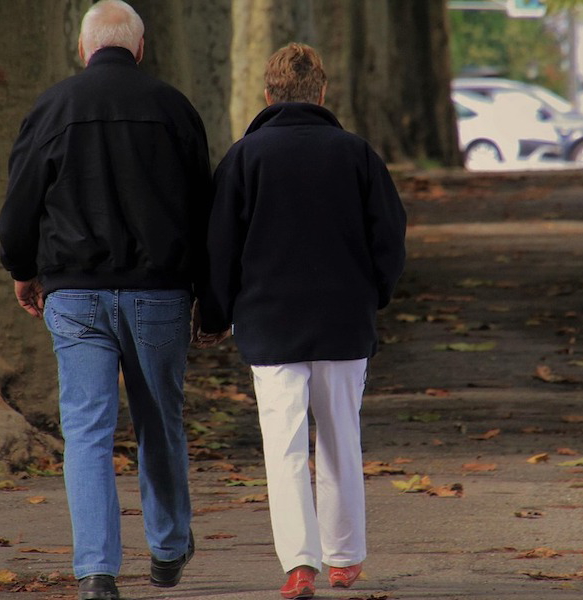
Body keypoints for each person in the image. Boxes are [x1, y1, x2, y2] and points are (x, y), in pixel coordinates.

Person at [0, 2, 208, 599]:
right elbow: (205, 212)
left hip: (76, 293)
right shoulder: (175, 109)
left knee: (86, 431)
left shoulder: (53, 106)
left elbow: (19, 207)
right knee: (158, 421)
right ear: (140, 49)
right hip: (159, 295)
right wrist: (211, 300)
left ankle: (96, 571)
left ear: (83, 48)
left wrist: (22, 269)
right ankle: (167, 548)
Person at [197, 43, 406, 600]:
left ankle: (300, 563)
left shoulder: (245, 158)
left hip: (269, 324)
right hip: (343, 320)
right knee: (342, 436)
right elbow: (389, 236)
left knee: (283, 446)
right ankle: (345, 557)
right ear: (322, 92)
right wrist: (375, 296)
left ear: (267, 96)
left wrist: (215, 313)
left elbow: (220, 247)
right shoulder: (357, 154)